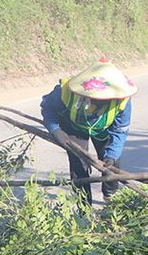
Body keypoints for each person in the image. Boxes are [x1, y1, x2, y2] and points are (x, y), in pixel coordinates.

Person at [41, 58, 136, 204]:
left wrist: (112, 155)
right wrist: (55, 130)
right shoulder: (66, 92)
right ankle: (83, 207)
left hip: (104, 130)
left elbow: (120, 131)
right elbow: (47, 108)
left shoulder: (122, 102)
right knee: (78, 166)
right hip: (73, 127)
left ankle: (110, 198)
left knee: (111, 166)